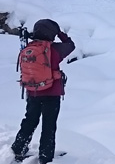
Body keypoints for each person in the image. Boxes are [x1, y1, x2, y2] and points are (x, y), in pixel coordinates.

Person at [12, 19, 75, 164]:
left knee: (29, 120)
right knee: (49, 125)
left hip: (32, 91)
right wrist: (60, 33)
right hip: (51, 94)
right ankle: (45, 157)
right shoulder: (55, 49)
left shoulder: (28, 47)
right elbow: (71, 46)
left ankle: (18, 148)